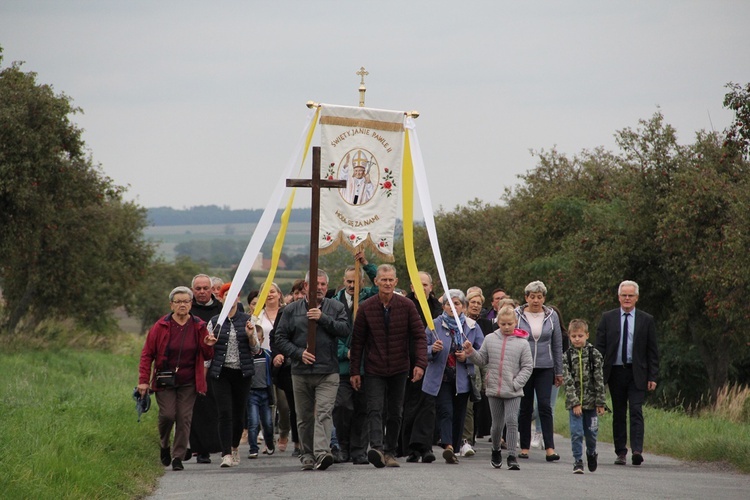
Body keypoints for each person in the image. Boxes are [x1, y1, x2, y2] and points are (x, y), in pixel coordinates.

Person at [350, 264, 428, 468]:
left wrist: (420, 363)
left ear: (396, 282)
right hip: (374, 367)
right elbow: (357, 342)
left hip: (400, 367)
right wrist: (355, 371)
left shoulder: (407, 306)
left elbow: (420, 336)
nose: (386, 283)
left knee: (395, 412)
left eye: (390, 279)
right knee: (374, 409)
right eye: (382, 279)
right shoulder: (366, 307)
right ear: (376, 282)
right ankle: (376, 448)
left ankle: (390, 451)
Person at [274, 270, 350, 471]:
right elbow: (280, 338)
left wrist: (323, 318)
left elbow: (345, 330)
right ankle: (307, 454)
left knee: (324, 412)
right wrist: (299, 353)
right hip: (300, 371)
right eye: (316, 284)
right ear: (306, 286)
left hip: (328, 371)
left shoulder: (336, 307)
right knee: (304, 416)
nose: (321, 288)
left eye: (324, 284)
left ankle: (323, 453)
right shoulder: (291, 310)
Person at [137, 286, 215, 471]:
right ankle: (164, 444)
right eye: (178, 301)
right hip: (165, 380)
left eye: (186, 301)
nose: (182, 305)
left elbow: (207, 354)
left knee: (184, 417)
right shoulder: (160, 326)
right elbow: (147, 354)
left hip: (189, 380)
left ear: (191, 304)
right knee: (167, 415)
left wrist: (209, 345)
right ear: (171, 304)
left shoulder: (199, 326)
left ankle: (178, 456)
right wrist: (143, 380)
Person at [595, 280, 659, 466]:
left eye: (631, 295)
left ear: (637, 297)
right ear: (619, 297)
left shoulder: (646, 320)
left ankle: (637, 450)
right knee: (619, 412)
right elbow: (600, 347)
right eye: (624, 295)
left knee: (636, 410)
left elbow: (652, 351)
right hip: (615, 372)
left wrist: (652, 376)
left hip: (637, 372)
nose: (627, 298)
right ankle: (621, 452)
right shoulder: (608, 318)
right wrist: (597, 374)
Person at [464, 305, 533, 470]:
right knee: (496, 424)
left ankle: (511, 455)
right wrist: (471, 352)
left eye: (510, 323)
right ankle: (495, 450)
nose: (507, 327)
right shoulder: (490, 339)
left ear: (515, 323)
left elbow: (527, 366)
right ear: (498, 323)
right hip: (494, 388)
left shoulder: (522, 343)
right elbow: (481, 360)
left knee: (511, 421)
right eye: (503, 324)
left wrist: (516, 383)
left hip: (513, 390)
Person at [421, 289, 484, 464]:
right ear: (443, 306)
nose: (453, 307)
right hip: (441, 379)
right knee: (446, 411)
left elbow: (482, 352)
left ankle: (455, 448)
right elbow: (422, 349)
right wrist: (432, 350)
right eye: (449, 303)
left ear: (463, 306)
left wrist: (468, 355)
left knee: (459, 414)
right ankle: (448, 446)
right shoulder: (434, 324)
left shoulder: (472, 326)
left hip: (462, 379)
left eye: (457, 304)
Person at [206, 283, 260, 468]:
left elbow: (256, 349)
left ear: (237, 298)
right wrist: (208, 346)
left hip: (242, 372)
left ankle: (235, 446)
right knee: (225, 413)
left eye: (233, 295)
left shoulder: (247, 319)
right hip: (221, 373)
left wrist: (251, 335)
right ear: (221, 298)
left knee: (238, 414)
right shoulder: (214, 321)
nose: (230, 298)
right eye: (226, 295)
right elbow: (207, 352)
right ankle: (226, 454)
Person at [332, 252, 378, 464]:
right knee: (342, 407)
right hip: (342, 367)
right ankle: (343, 447)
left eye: (355, 282)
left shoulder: (368, 296)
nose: (352, 285)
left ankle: (359, 450)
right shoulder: (334, 302)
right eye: (349, 282)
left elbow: (380, 284)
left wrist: (367, 265)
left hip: (365, 365)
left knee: (362, 409)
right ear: (344, 281)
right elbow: (333, 333)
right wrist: (345, 351)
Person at [515, 280, 563, 461]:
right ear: (526, 297)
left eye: (539, 297)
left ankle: (550, 447)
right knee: (525, 407)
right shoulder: (517, 315)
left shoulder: (552, 316)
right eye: (532, 297)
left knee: (545, 405)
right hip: (523, 367)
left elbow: (557, 344)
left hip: (545, 366)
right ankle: (525, 447)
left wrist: (559, 371)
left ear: (544, 298)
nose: (536, 300)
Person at [402, 271, 443, 463]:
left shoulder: (438, 308)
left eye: (425, 284)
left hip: (432, 364)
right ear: (411, 287)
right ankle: (410, 448)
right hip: (407, 362)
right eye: (417, 284)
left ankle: (425, 447)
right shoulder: (403, 305)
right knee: (409, 405)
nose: (421, 287)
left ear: (431, 287)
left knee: (428, 406)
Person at [187, 273, 224, 464]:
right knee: (196, 407)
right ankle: (200, 449)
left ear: (211, 290)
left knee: (215, 405)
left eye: (205, 288)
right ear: (193, 291)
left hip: (218, 362)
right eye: (198, 289)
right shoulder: (187, 309)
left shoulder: (221, 309)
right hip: (193, 364)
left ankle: (219, 445)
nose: (202, 292)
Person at [563, 319, 606, 474]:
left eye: (580, 335)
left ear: (587, 335)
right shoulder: (566, 356)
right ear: (569, 336)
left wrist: (600, 402)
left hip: (592, 403)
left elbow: (599, 379)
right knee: (576, 433)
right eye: (574, 336)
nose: (577, 339)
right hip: (575, 405)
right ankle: (577, 461)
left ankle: (591, 452)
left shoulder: (594, 354)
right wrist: (574, 403)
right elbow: (568, 382)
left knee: (591, 433)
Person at [247, 327, 275, 459]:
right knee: (253, 422)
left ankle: (269, 443)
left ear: (262, 339)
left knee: (268, 423)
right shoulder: (246, 356)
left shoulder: (267, 355)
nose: (255, 342)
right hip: (251, 393)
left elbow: (273, 370)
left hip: (265, 392)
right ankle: (253, 448)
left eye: (258, 339)